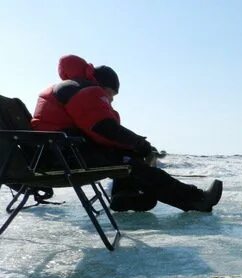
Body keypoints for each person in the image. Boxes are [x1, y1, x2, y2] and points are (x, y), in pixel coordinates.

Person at [31, 55, 222, 212]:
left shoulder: (69, 88)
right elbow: (103, 128)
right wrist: (137, 143)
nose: (111, 100)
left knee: (128, 156)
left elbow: (96, 129)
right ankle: (197, 200)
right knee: (131, 161)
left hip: (57, 151)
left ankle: (124, 195)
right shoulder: (83, 90)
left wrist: (134, 145)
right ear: (102, 85)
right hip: (65, 156)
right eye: (111, 94)